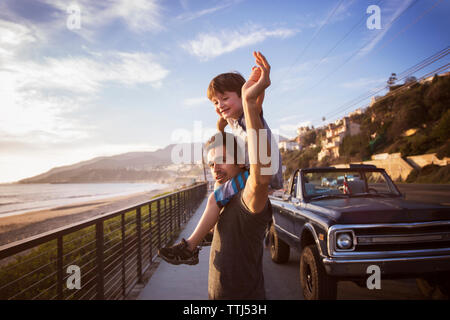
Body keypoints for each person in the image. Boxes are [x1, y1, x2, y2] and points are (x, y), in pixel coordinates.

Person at [158, 52, 280, 267]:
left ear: (243, 96)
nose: (220, 105)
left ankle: (189, 247)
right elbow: (222, 121)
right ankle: (210, 230)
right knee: (220, 184)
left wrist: (260, 84)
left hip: (259, 173)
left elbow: (256, 101)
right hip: (252, 171)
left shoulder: (248, 115)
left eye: (225, 98)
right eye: (215, 101)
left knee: (215, 198)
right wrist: (220, 118)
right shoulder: (232, 118)